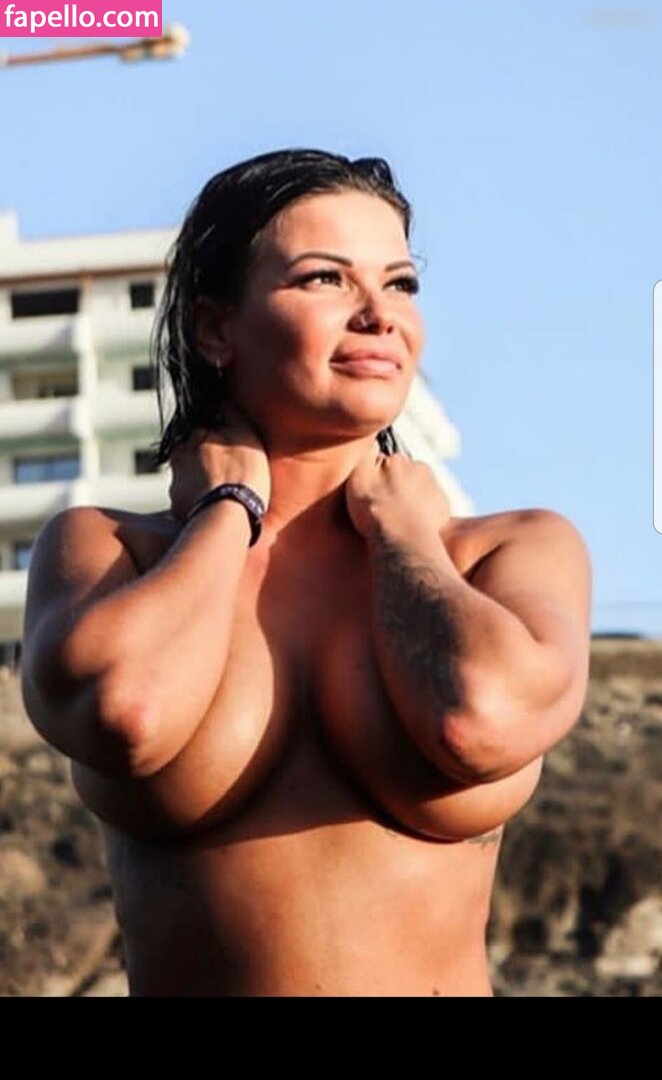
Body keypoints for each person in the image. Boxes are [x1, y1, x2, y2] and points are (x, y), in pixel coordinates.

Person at [19, 149, 592, 997]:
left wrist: (403, 531)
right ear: (216, 328)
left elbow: (478, 717)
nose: (379, 315)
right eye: (326, 278)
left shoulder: (505, 555)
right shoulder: (111, 552)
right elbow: (125, 712)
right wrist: (228, 509)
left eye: (400, 283)